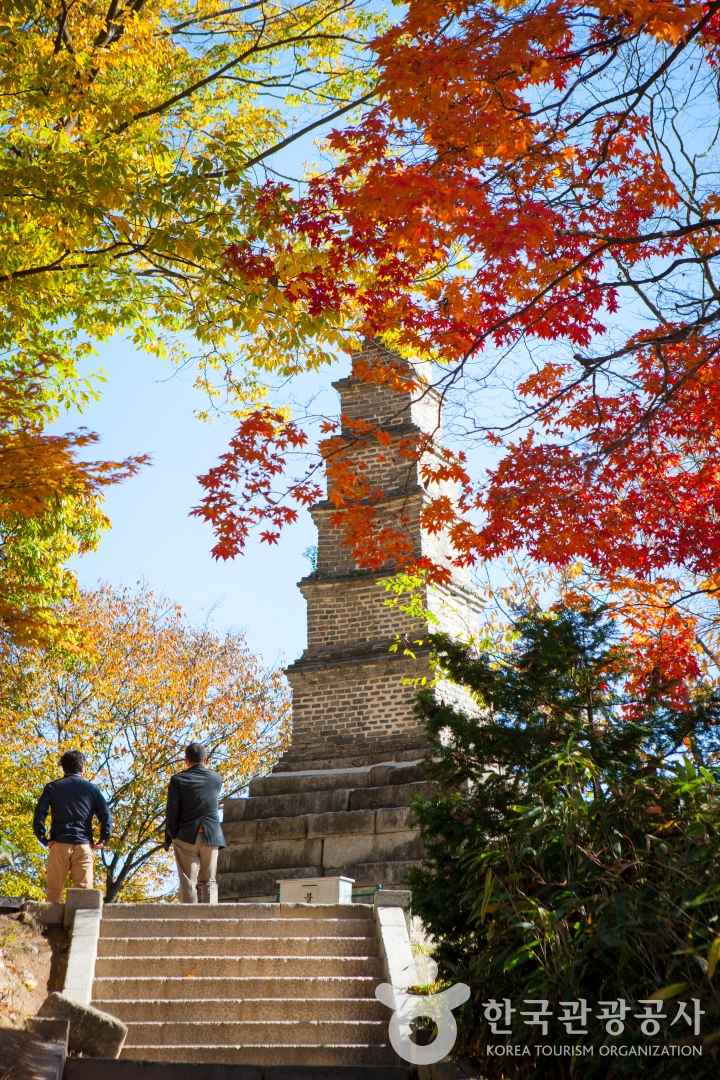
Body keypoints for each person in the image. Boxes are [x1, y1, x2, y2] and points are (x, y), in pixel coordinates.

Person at [33, 750, 111, 903]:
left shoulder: (52, 787)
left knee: (53, 894)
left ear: (63, 767)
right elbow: (106, 815)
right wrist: (103, 839)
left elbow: (39, 814)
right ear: (82, 767)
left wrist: (44, 839)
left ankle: (50, 919)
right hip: (83, 846)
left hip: (59, 845)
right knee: (84, 897)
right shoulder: (92, 789)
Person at [164, 742, 225, 904]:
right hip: (211, 835)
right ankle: (210, 914)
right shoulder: (217, 779)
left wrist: (170, 836)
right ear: (206, 759)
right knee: (209, 881)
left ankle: (189, 916)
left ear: (186, 760)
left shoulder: (177, 780)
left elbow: (172, 811)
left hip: (186, 836)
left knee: (188, 881)